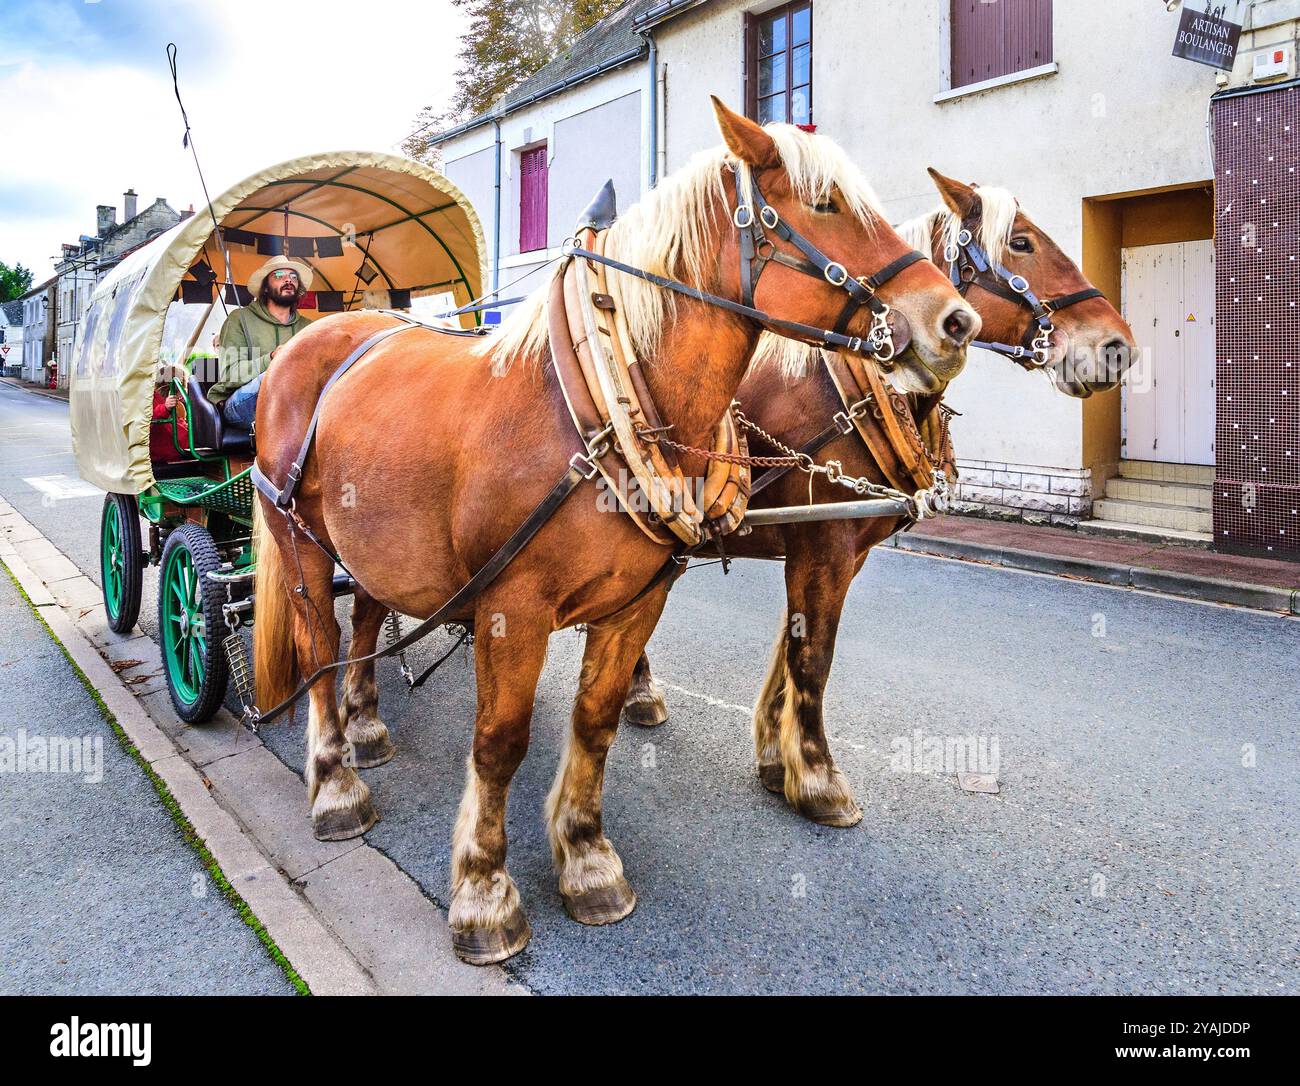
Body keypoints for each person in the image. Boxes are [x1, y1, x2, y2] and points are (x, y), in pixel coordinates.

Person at [208, 256, 314, 431]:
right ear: (265, 287)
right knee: (277, 377)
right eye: (279, 275)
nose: (288, 279)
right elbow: (230, 374)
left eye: (294, 277)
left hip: (297, 402)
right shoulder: (239, 319)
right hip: (239, 403)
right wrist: (272, 358)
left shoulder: (309, 327)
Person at [150, 363, 190, 462]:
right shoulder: (152, 399)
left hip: (176, 446)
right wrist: (165, 408)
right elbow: (149, 418)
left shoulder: (173, 404)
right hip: (171, 450)